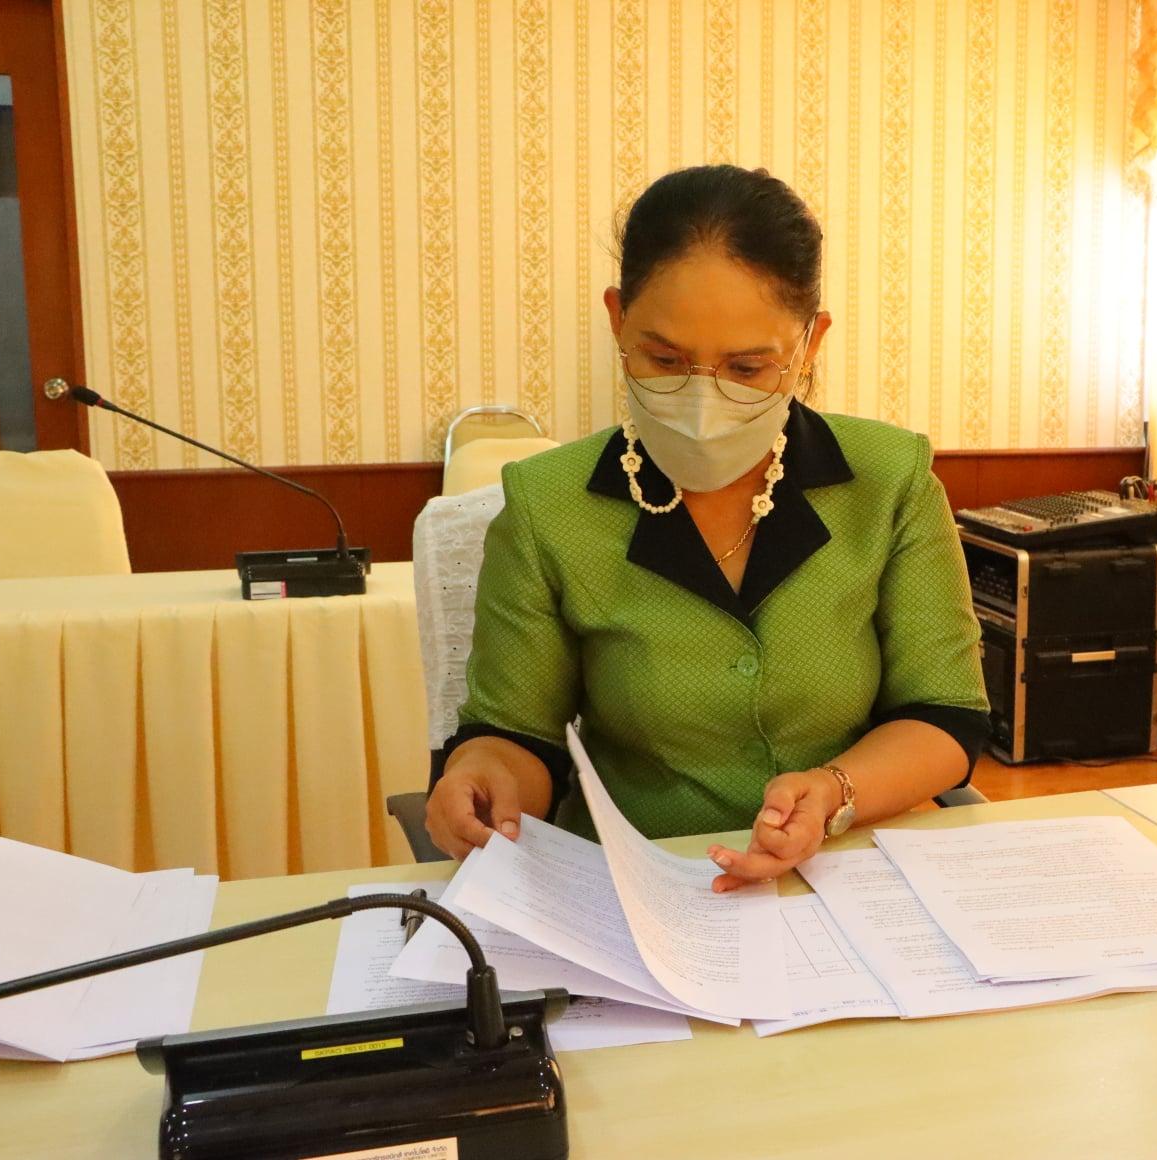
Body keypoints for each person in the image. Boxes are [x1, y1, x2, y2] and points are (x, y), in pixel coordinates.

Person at [424, 165, 989, 892]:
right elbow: (515, 734)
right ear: (617, 319)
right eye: (664, 360)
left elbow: (944, 714)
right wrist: (482, 778)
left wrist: (834, 791)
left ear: (810, 343)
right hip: (643, 885)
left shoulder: (888, 480)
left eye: (747, 368)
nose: (700, 404)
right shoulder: (547, 506)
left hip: (848, 874)